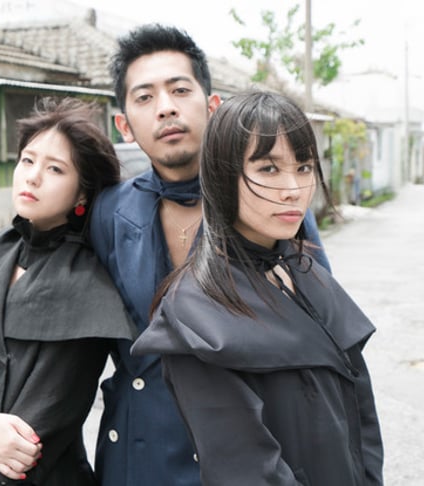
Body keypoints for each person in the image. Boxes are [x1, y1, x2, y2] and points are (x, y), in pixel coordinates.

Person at [89, 25, 332, 485]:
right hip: (141, 456)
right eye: (144, 97)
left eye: (180, 90)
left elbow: (321, 335)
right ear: (124, 125)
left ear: (213, 106)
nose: (166, 107)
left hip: (248, 453)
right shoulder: (109, 212)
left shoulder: (268, 199)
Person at [131, 91, 384, 485]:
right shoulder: (195, 314)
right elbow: (247, 470)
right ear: (221, 175)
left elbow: (360, 413)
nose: (293, 188)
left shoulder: (307, 270)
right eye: (268, 168)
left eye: (304, 167)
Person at [0, 97, 136, 485]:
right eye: (27, 160)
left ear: (82, 194)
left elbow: (33, 438)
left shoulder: (86, 286)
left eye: (55, 168)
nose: (33, 176)